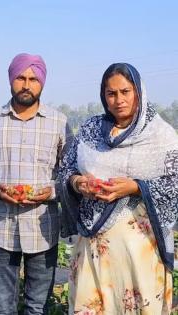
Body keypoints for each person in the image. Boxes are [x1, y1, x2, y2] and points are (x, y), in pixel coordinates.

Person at [59, 63, 177, 314]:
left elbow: (175, 182)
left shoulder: (160, 134)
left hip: (139, 247)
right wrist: (79, 183)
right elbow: (66, 169)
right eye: (111, 94)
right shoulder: (90, 129)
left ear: (139, 92)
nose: (118, 100)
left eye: (125, 92)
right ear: (103, 96)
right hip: (91, 243)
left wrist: (135, 187)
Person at [0, 53, 71, 315]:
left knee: (37, 308)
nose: (27, 84)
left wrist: (53, 191)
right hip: (1, 228)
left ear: (42, 83)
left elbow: (70, 174)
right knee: (3, 308)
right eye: (21, 78)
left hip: (43, 230)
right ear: (11, 79)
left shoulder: (59, 123)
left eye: (33, 79)